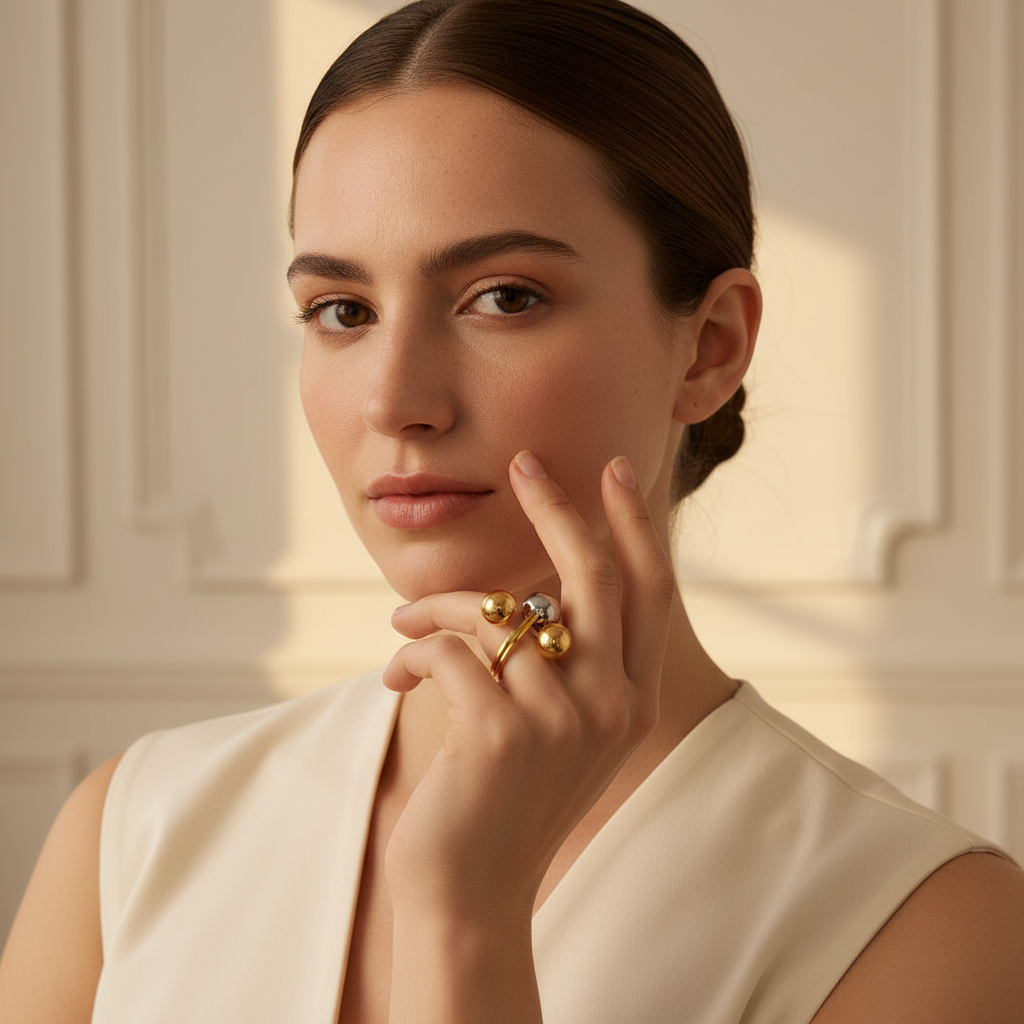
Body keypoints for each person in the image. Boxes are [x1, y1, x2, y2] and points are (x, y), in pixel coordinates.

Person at [2, 0, 1023, 1020]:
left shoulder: (925, 918)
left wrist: (464, 914)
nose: (396, 401)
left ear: (709, 345)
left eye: (503, 296)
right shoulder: (134, 832)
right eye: (342, 311)